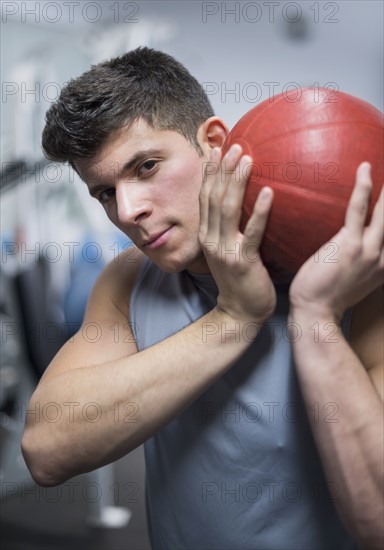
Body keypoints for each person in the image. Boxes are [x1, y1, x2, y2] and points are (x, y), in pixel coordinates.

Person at [21, 47, 383, 549]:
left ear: (213, 143)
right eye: (105, 192)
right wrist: (233, 318)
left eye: (146, 167)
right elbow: (46, 449)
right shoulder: (128, 279)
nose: (128, 211)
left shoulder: (356, 276)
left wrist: (317, 316)